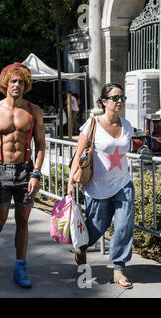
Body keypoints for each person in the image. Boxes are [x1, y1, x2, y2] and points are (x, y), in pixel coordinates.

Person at [0, 62, 45, 288]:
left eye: (22, 82)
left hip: (25, 171)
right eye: (14, 81)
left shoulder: (33, 111)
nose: (17, 85)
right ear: (5, 84)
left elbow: (42, 145)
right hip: (0, 171)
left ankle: (21, 266)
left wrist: (36, 173)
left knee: (22, 221)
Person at [67, 83, 135, 289]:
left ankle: (119, 269)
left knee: (124, 226)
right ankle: (82, 246)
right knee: (97, 226)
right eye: (115, 98)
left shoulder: (127, 125)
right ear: (104, 102)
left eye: (121, 97)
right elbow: (79, 156)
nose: (119, 101)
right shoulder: (91, 125)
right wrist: (70, 181)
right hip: (97, 187)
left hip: (123, 183)